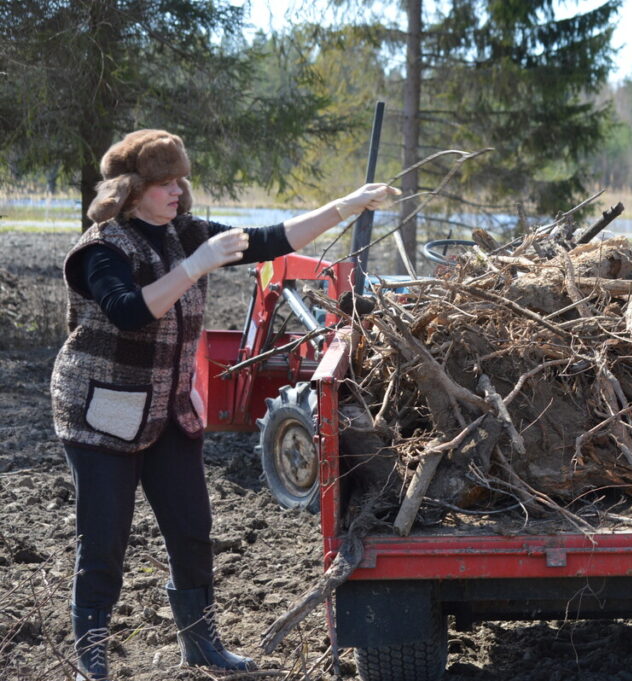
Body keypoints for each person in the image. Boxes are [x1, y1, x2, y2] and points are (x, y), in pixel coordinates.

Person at [51, 129, 399, 681]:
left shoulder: (183, 233)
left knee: (192, 528)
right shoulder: (102, 248)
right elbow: (128, 312)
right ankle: (90, 658)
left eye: (180, 180)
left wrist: (347, 203)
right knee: (105, 538)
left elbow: (272, 238)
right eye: (164, 183)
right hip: (103, 415)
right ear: (133, 189)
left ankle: (201, 644)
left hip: (169, 409)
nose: (177, 191)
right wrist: (196, 266)